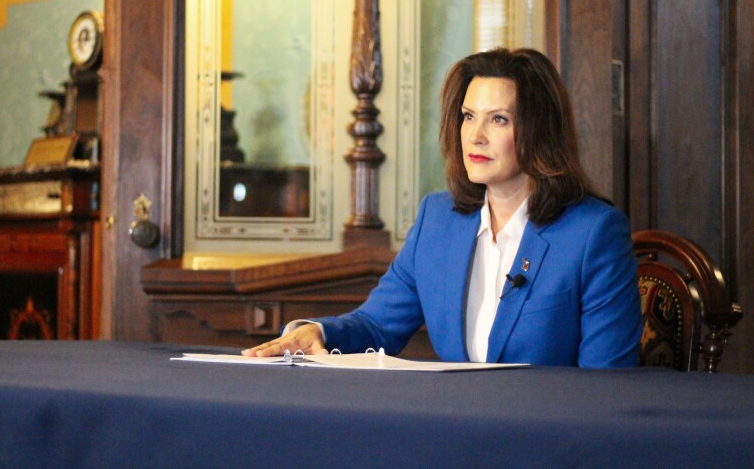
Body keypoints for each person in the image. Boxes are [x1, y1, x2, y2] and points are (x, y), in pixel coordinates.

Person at [242, 48, 643, 367]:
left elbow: (606, 385)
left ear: (540, 131)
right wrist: (318, 332)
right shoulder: (438, 220)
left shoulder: (593, 233)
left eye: (499, 119)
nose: (476, 135)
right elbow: (377, 325)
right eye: (469, 116)